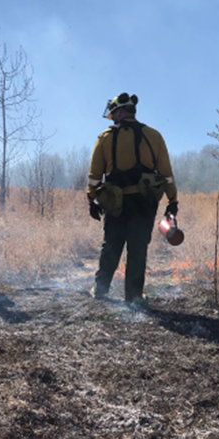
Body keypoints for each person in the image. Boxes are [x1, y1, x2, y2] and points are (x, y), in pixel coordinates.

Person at [87, 92, 178, 305]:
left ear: (119, 112)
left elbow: (94, 177)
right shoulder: (153, 136)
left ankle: (100, 291)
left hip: (115, 204)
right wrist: (173, 200)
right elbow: (166, 173)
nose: (113, 118)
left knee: (111, 246)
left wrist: (91, 200)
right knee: (137, 250)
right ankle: (134, 297)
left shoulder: (104, 138)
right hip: (143, 204)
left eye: (113, 114)